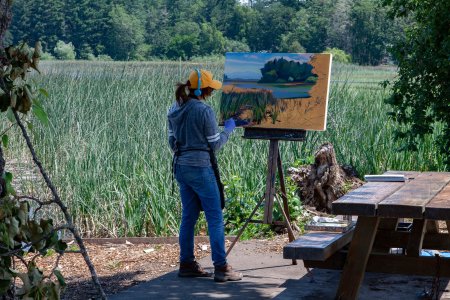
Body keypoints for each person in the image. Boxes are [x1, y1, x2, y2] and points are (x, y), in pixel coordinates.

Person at [167, 69, 243, 282]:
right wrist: (229, 129)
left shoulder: (174, 109)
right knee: (215, 218)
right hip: (201, 168)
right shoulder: (204, 111)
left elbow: (172, 143)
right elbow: (215, 144)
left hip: (181, 167)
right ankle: (222, 268)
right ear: (205, 90)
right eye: (211, 88)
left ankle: (187, 264)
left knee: (188, 217)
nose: (212, 92)